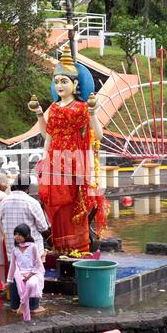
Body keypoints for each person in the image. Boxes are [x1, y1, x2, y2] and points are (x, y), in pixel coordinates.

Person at [28, 45, 108, 254]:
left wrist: (92, 112)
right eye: (56, 82)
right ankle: (59, 245)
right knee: (56, 206)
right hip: (55, 161)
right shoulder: (53, 108)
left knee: (74, 205)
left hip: (74, 161)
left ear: (75, 84)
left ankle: (78, 247)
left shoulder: (81, 107)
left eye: (64, 81)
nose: (60, 85)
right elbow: (48, 136)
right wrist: (38, 114)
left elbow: (97, 136)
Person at [5, 224, 45, 321]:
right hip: (20, 274)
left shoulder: (33, 247)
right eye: (15, 234)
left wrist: (30, 275)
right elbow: (12, 266)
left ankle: (23, 304)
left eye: (20, 234)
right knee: (19, 283)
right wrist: (9, 280)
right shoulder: (15, 250)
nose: (17, 237)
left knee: (30, 284)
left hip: (34, 273)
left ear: (27, 236)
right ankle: (24, 311)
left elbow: (38, 264)